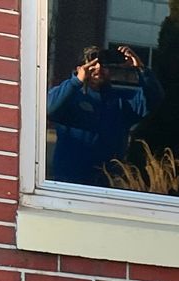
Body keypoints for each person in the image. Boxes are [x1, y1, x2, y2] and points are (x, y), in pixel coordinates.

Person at [46, 44, 163, 186]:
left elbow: (155, 98)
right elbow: (48, 108)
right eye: (92, 65)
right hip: (68, 185)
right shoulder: (69, 96)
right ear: (80, 69)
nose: (98, 69)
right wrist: (76, 81)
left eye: (103, 65)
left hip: (108, 187)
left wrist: (140, 69)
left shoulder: (121, 101)